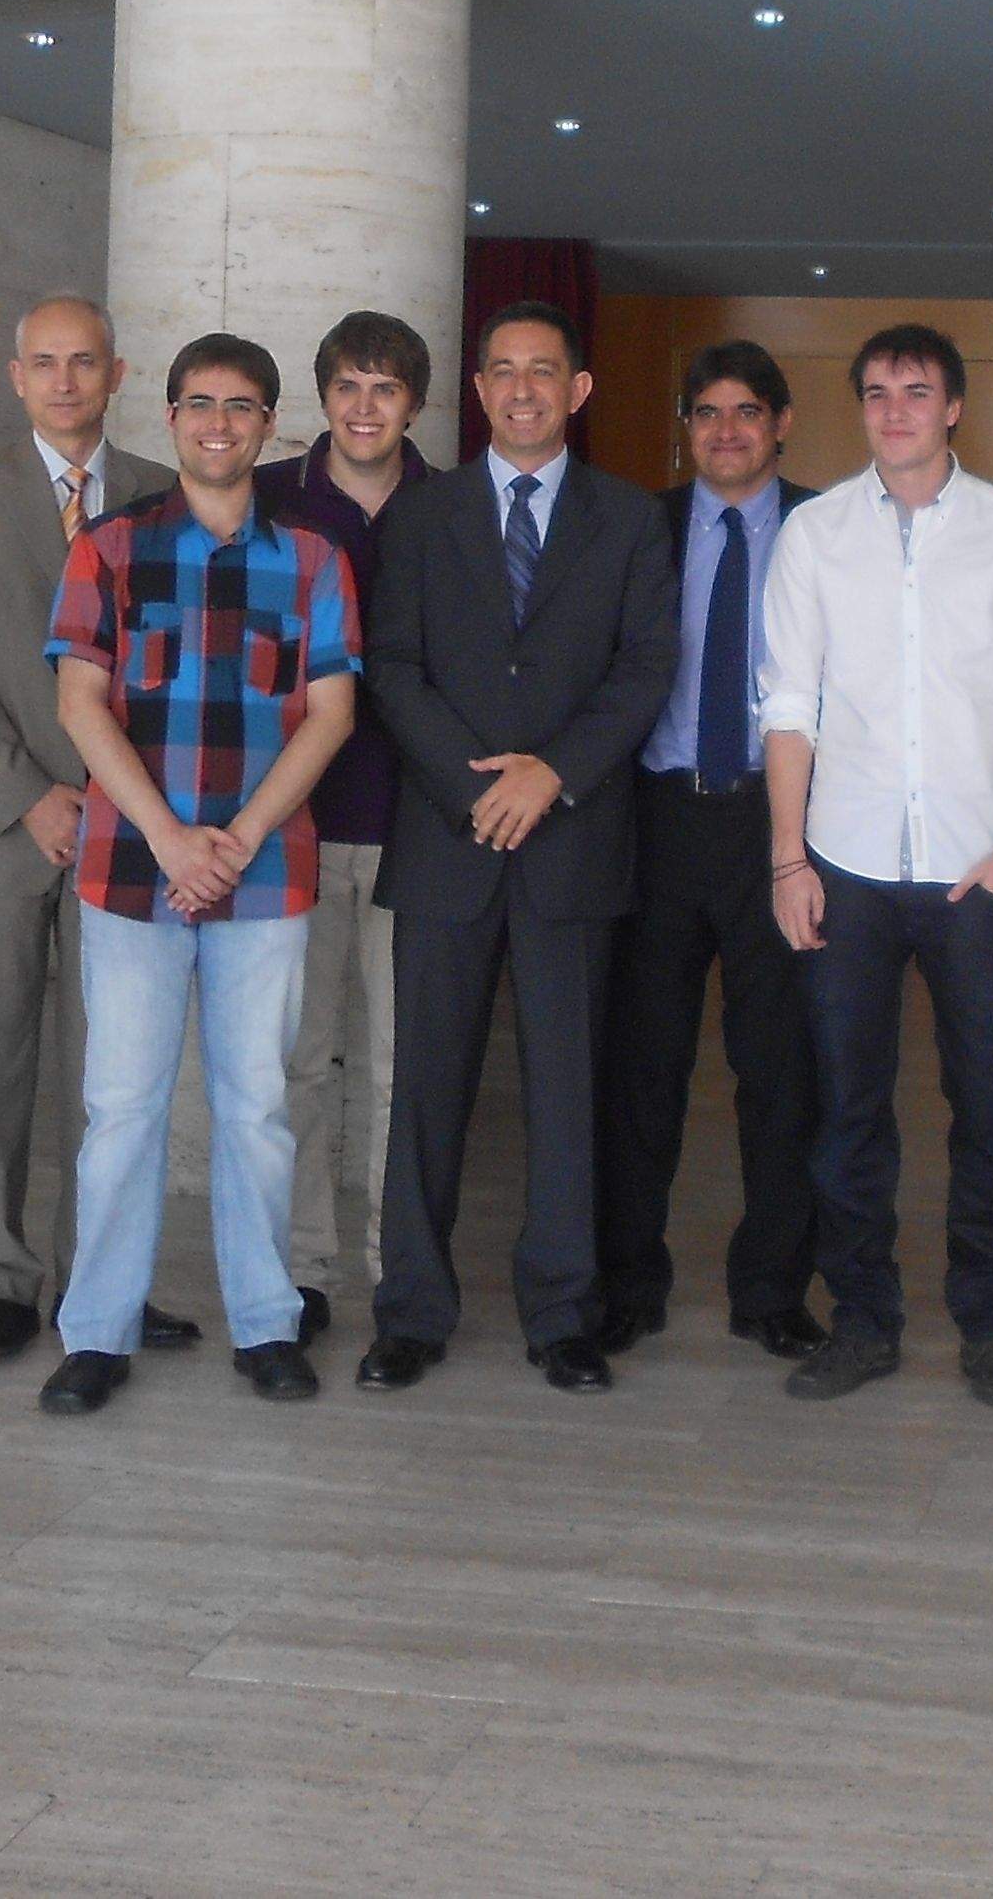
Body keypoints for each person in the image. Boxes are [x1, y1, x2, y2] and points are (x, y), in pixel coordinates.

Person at [37, 331, 363, 1418]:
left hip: (263, 879)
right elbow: (79, 703)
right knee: (121, 1112)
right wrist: (173, 840)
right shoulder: (108, 550)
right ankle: (97, 1332)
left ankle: (267, 1323)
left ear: (270, 425)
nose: (218, 424)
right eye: (199, 405)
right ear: (170, 418)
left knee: (258, 1109)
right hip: (130, 872)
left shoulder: (313, 560)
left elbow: (331, 714)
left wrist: (234, 839)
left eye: (240, 407)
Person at [354, 302, 675, 1397]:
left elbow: (645, 667)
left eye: (544, 371)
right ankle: (410, 1312)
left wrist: (552, 774)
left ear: (577, 390)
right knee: (425, 1087)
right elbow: (393, 665)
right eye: (503, 371)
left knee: (567, 1091)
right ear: (479, 390)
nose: (523, 389)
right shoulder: (421, 514)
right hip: (449, 838)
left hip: (572, 838)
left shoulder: (630, 519)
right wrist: (476, 786)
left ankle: (563, 1314)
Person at [760, 323, 993, 1406]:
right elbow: (787, 704)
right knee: (847, 1106)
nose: (894, 410)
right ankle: (862, 1320)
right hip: (843, 862)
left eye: (916, 391)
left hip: (972, 869)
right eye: (878, 392)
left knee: (989, 1105)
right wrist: (787, 860)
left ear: (953, 407)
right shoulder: (813, 534)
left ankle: (992, 1325)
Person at [0, 296, 193, 1372]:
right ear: (15, 376)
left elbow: (182, 665)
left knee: (111, 1075)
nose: (65, 380)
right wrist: (31, 794)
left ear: (117, 374)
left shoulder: (164, 494)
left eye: (84, 361)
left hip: (128, 825)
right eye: (45, 363)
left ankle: (97, 1282)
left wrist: (127, 799)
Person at [594, 342, 825, 1361]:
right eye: (706, 413)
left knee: (780, 1068)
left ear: (780, 424)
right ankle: (626, 1283)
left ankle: (771, 1290)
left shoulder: (826, 530)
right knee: (641, 1065)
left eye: (746, 412)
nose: (725, 431)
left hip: (782, 824)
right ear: (684, 428)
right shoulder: (634, 526)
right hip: (658, 818)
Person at [257, 311, 435, 1346]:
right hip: (295, 827)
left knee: (402, 1066)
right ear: (321, 398)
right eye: (348, 387)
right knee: (299, 1064)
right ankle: (304, 1272)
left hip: (418, 830)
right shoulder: (269, 499)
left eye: (386, 389)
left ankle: (394, 1265)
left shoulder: (452, 506)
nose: (365, 408)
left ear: (415, 404)